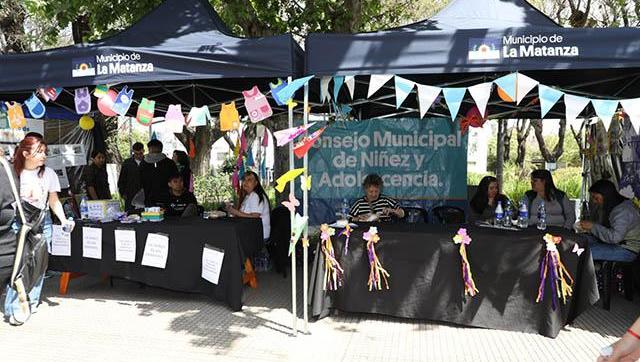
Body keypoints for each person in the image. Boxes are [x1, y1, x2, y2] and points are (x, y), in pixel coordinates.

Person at [5, 133, 74, 325]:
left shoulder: (49, 173)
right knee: (18, 266)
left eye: (44, 152)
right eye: (39, 152)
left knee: (39, 264)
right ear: (26, 153)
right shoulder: (13, 174)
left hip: (43, 223)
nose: (44, 155)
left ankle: (31, 303)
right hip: (18, 224)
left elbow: (53, 200)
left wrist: (63, 220)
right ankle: (14, 307)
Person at [579, 179, 640, 261]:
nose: (594, 201)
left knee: (582, 252)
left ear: (606, 195)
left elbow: (615, 237)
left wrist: (592, 227)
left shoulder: (623, 211)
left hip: (627, 249)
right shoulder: (615, 206)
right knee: (580, 240)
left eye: (596, 198)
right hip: (617, 243)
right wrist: (591, 228)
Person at [226, 171, 270, 241]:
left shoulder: (255, 195)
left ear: (256, 183)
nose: (245, 182)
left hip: (258, 235)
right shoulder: (248, 196)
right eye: (244, 180)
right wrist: (232, 211)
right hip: (250, 232)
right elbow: (244, 214)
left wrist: (235, 212)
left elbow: (255, 216)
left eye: (249, 180)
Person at [140, 139, 178, 207]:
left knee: (150, 215)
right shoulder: (169, 162)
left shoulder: (143, 163)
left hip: (150, 196)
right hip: (165, 196)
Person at [118, 142, 145, 212]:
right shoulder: (127, 163)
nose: (139, 156)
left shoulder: (147, 162)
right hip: (130, 194)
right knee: (130, 215)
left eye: (140, 153)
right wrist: (122, 193)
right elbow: (122, 179)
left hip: (145, 195)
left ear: (143, 151)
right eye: (136, 154)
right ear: (133, 152)